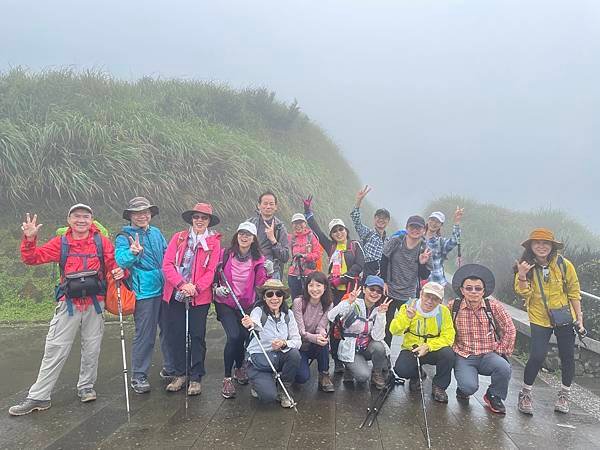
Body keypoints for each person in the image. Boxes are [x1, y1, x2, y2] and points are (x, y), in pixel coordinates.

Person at [9, 205, 124, 416]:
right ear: (69, 219)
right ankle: (39, 396)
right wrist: (29, 238)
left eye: (86, 217)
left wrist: (119, 271)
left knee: (92, 348)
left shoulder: (101, 241)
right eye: (77, 216)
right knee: (55, 348)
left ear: (92, 220)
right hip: (68, 304)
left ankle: (86, 387)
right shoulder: (61, 242)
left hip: (95, 303)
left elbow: (114, 263)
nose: (81, 220)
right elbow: (32, 258)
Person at [514, 228, 585, 415]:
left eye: (546, 243)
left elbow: (574, 291)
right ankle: (526, 393)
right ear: (530, 246)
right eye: (537, 243)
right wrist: (522, 275)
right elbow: (523, 292)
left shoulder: (564, 264)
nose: (541, 246)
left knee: (568, 356)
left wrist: (579, 318)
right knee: (537, 355)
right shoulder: (525, 265)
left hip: (563, 316)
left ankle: (564, 395)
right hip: (539, 317)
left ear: (552, 246)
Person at [162, 203, 221, 396]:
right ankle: (180, 373)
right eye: (196, 217)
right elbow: (168, 264)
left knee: (197, 335)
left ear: (209, 221)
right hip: (176, 293)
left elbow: (211, 270)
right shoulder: (178, 238)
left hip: (199, 297)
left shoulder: (213, 243)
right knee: (176, 334)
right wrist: (181, 284)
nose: (200, 221)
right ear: (191, 219)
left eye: (204, 218)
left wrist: (195, 288)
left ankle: (196, 376)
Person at [303, 194, 365, 373]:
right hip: (333, 291)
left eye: (341, 229)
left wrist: (342, 278)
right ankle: (337, 360)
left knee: (350, 324)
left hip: (351, 291)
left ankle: (350, 358)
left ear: (346, 230)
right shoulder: (331, 247)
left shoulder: (354, 245)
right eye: (335, 231)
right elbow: (315, 230)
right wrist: (308, 211)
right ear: (332, 234)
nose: (339, 233)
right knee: (335, 323)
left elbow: (359, 266)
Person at [115, 197, 168, 394]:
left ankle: (170, 368)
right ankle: (139, 375)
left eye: (146, 212)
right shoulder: (124, 236)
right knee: (145, 334)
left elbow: (167, 254)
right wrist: (132, 252)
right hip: (144, 291)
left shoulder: (156, 233)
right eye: (137, 213)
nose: (142, 216)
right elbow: (121, 259)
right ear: (130, 216)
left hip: (165, 287)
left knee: (168, 330)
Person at [449, 264, 516, 415]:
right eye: (469, 288)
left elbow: (509, 328)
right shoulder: (454, 306)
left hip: (488, 354)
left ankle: (494, 395)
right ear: (462, 290)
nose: (473, 292)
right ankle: (463, 388)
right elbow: (443, 327)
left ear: (484, 291)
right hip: (464, 355)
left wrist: (500, 350)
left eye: (478, 288)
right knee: (469, 387)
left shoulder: (492, 306)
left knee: (504, 367)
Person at [213, 221, 268, 399]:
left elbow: (260, 285)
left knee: (244, 336)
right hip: (226, 302)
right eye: (241, 233)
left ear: (253, 239)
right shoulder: (226, 254)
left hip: (246, 305)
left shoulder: (259, 260)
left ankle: (239, 368)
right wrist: (216, 288)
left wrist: (268, 275)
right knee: (233, 336)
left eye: (248, 235)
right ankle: (227, 378)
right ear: (237, 235)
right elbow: (213, 274)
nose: (244, 237)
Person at [389, 281, 455, 403]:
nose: (430, 301)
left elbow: (449, 337)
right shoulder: (408, 306)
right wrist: (407, 318)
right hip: (412, 349)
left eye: (435, 298)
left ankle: (439, 386)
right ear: (421, 294)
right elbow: (394, 330)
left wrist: (428, 346)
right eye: (427, 296)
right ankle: (416, 375)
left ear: (440, 301)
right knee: (401, 369)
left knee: (448, 354)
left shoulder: (444, 312)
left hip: (433, 350)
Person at [244, 279, 301, 408]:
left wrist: (284, 343)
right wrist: (250, 323)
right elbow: (254, 322)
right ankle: (257, 382)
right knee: (268, 397)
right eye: (270, 294)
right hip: (260, 359)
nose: (274, 298)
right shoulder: (258, 311)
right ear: (264, 297)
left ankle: (284, 388)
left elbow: (297, 341)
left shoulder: (288, 315)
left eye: (278, 294)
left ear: (283, 297)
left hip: (279, 356)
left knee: (294, 354)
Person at [327, 276, 392, 389]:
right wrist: (347, 302)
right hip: (351, 348)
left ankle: (376, 374)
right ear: (364, 289)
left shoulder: (378, 310)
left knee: (379, 346)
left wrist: (381, 315)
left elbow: (378, 337)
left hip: (366, 348)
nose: (375, 293)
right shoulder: (354, 303)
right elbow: (331, 316)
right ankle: (350, 367)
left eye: (379, 291)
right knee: (362, 377)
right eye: (372, 289)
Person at [380, 215, 432, 346]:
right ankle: (384, 358)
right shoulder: (396, 241)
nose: (415, 230)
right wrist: (384, 281)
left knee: (411, 327)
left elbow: (424, 275)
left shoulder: (424, 248)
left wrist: (421, 263)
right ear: (407, 228)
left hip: (409, 294)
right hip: (390, 290)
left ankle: (410, 357)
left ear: (424, 230)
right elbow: (384, 259)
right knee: (386, 325)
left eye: (418, 227)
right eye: (412, 227)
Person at [291, 271, 334, 392]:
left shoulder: (328, 303)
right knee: (302, 377)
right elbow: (300, 331)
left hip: (315, 345)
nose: (314, 289)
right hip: (300, 345)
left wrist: (321, 334)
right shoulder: (298, 302)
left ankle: (324, 374)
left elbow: (321, 326)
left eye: (318, 285)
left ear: (325, 287)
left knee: (324, 342)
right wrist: (315, 338)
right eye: (311, 285)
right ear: (306, 287)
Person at [247, 191, 290, 280]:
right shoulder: (249, 224)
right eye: (265, 203)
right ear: (259, 206)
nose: (268, 206)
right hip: (250, 269)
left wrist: (273, 240)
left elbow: (285, 257)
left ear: (275, 207)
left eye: (271, 204)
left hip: (272, 272)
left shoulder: (280, 228)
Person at [350, 185, 390, 279]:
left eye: (384, 218)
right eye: (379, 217)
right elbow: (356, 219)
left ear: (388, 221)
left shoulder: (389, 241)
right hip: (366, 271)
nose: (381, 220)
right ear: (374, 219)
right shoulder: (367, 233)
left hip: (381, 275)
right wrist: (359, 200)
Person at [424, 208, 463, 288]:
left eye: (437, 222)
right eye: (432, 220)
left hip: (436, 283)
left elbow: (455, 240)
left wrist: (456, 222)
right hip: (418, 282)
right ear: (428, 220)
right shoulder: (418, 238)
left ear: (441, 225)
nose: (434, 223)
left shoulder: (440, 242)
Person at [287, 213, 322, 299]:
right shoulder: (290, 238)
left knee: (309, 299)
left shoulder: (311, 237)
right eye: (295, 223)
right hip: (293, 274)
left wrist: (305, 256)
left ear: (305, 224)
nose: (298, 225)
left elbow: (318, 254)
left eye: (300, 222)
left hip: (309, 274)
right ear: (292, 225)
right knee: (295, 299)